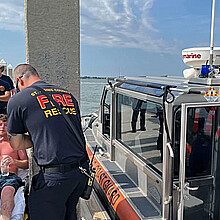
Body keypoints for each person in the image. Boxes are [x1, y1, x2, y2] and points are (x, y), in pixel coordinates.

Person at [6, 64, 89, 220]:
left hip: (55, 179)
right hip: (80, 173)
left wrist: (35, 138)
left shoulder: (18, 100)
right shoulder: (68, 95)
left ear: (19, 80)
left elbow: (16, 144)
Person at [0, 114, 28, 220]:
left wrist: (14, 161)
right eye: (0, 124)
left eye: (5, 125)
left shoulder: (15, 144)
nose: (2, 127)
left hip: (9, 177)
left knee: (7, 193)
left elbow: (26, 164)